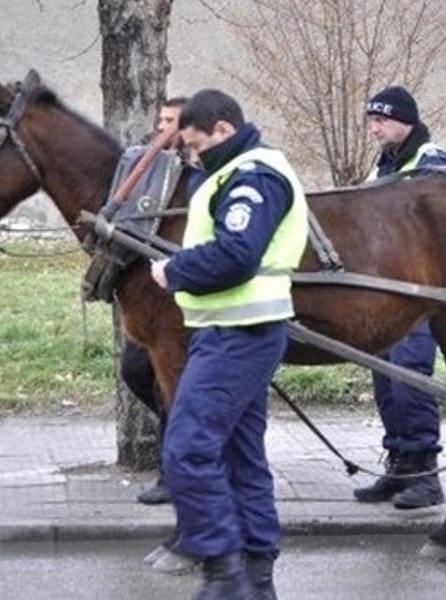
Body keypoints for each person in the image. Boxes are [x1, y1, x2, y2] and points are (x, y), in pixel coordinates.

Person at [150, 88, 308, 600]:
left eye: (195, 146)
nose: (193, 158)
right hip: (232, 330)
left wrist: (174, 270)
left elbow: (238, 253)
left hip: (239, 334)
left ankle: (225, 572)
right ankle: (257, 577)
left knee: (187, 449)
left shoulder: (253, 176)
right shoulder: (235, 170)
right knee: (241, 457)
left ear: (222, 130)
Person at [353, 85, 446, 509]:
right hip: (387, 292)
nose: (374, 128)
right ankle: (400, 464)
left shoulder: (433, 164)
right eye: (372, 121)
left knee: (409, 374)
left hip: (421, 292)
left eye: (381, 120)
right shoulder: (384, 167)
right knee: (384, 376)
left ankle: (426, 474)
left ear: (405, 121)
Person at [120, 96, 188, 506]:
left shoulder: (194, 175)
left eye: (172, 122)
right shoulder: (149, 169)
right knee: (135, 370)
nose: (163, 129)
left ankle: (172, 472)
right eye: (160, 120)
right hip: (151, 297)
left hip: (180, 298)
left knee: (173, 385)